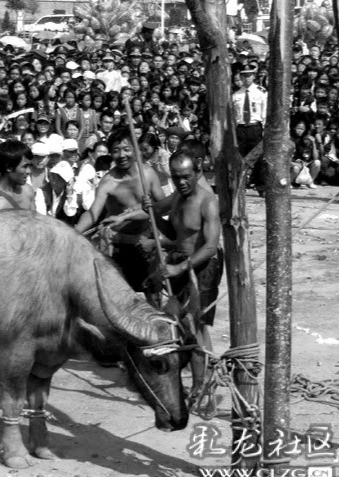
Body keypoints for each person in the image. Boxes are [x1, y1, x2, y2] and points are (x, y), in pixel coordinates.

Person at [155, 150, 223, 412]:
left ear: (197, 173)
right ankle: (203, 378)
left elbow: (209, 246)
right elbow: (176, 232)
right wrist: (154, 218)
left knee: (195, 328)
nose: (180, 182)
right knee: (185, 325)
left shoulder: (208, 201)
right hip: (181, 262)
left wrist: (178, 268)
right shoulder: (177, 199)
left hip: (203, 265)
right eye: (175, 177)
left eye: (185, 177)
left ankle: (200, 386)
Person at [75, 127, 166, 298]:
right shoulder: (108, 182)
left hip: (145, 242)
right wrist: (75, 232)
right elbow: (93, 213)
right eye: (116, 151)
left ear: (135, 150)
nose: (122, 155)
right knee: (118, 298)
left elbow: (162, 206)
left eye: (126, 149)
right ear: (110, 153)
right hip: (117, 245)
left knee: (153, 296)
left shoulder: (148, 174)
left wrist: (143, 214)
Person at [233, 64, 266, 194]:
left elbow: (265, 112)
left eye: (249, 75)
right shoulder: (236, 95)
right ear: (240, 77)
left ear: (254, 76)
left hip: (255, 127)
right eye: (244, 75)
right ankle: (241, 186)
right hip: (241, 129)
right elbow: (234, 116)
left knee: (259, 159)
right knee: (240, 158)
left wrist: (264, 129)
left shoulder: (261, 92)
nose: (246, 78)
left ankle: (261, 187)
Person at [0, 140, 34, 212]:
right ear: (9, 167)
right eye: (25, 166)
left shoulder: (28, 191)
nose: (29, 171)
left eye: (30, 166)